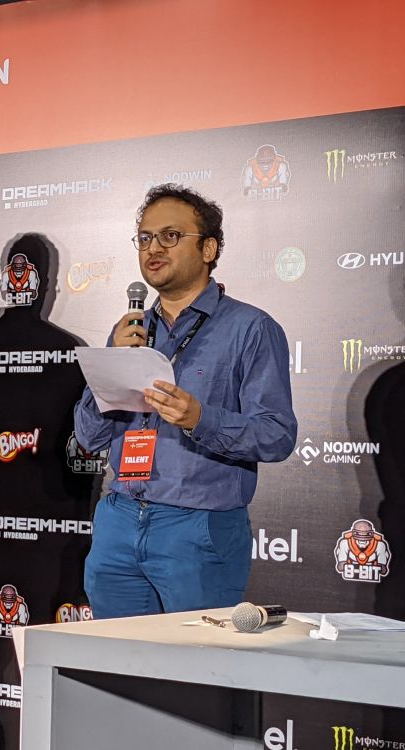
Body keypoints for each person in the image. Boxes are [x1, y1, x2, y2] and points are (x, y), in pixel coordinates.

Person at [74, 184, 297, 619]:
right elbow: (88, 435)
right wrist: (112, 368)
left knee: (196, 660)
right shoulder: (130, 330)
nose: (153, 248)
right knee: (118, 658)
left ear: (208, 249)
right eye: (144, 238)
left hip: (198, 528)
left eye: (170, 236)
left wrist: (200, 419)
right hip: (118, 521)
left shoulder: (250, 328)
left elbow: (276, 435)